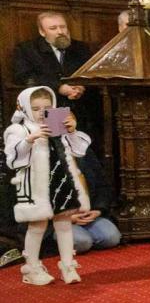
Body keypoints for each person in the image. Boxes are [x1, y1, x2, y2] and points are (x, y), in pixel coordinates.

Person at [4, 87, 90, 285]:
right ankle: (31, 268)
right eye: (35, 108)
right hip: (36, 186)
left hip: (60, 180)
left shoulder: (56, 125)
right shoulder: (18, 129)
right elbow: (12, 160)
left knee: (64, 222)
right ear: (24, 107)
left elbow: (78, 151)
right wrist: (30, 140)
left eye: (47, 107)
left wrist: (72, 130)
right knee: (37, 225)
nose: (42, 113)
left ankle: (68, 266)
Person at [12, 12, 97, 138]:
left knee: (84, 146)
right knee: (62, 149)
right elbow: (24, 76)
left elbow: (91, 72)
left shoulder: (81, 48)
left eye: (63, 27)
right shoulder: (27, 49)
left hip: (82, 105)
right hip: (51, 105)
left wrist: (81, 86)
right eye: (53, 28)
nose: (60, 32)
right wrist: (59, 87)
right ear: (42, 32)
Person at [71, 147, 121, 253]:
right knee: (82, 242)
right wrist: (68, 218)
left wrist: (98, 210)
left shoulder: (83, 149)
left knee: (111, 237)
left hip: (88, 213)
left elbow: (102, 184)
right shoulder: (45, 154)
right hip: (60, 220)